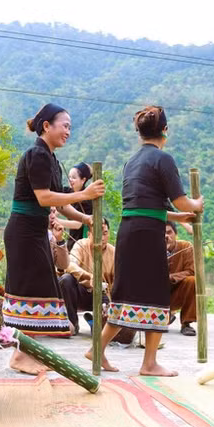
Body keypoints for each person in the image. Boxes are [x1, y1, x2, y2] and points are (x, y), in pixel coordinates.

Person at [87, 105, 203, 376]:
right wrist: (196, 204)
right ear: (165, 130)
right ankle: (149, 363)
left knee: (126, 293)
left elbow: (147, 204)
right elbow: (180, 199)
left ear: (139, 132)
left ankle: (98, 348)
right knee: (155, 293)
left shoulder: (132, 161)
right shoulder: (164, 159)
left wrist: (178, 215)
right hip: (149, 234)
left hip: (128, 231)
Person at [3, 103, 105, 374]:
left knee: (35, 290)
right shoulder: (37, 154)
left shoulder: (50, 158)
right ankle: (20, 356)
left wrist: (85, 219)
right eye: (65, 126)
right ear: (47, 126)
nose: (68, 131)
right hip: (24, 232)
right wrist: (84, 195)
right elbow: (45, 198)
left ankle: (24, 352)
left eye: (70, 127)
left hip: (34, 232)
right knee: (29, 291)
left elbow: (60, 203)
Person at [59, 218, 114, 335]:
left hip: (102, 295)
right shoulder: (80, 244)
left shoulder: (113, 252)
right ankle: (73, 323)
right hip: (80, 292)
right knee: (66, 280)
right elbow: (69, 265)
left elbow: (118, 280)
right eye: (98, 234)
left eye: (105, 233)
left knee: (99, 332)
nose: (102, 238)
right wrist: (89, 276)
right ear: (89, 234)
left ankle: (96, 322)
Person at [165, 222, 197, 336]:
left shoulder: (186, 247)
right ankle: (164, 315)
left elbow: (191, 271)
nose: (166, 236)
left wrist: (172, 277)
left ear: (176, 234)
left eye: (169, 232)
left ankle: (186, 323)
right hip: (159, 296)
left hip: (178, 292)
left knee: (192, 280)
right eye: (162, 233)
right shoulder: (153, 249)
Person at [64, 162, 94, 249]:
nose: (70, 180)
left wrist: (57, 222)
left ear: (83, 180)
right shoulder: (67, 191)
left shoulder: (87, 200)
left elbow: (78, 224)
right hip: (71, 240)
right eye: (69, 177)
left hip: (82, 243)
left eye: (73, 177)